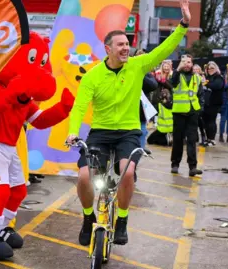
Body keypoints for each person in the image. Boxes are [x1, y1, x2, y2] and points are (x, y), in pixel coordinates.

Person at [66, 0, 191, 247]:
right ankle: (87, 217)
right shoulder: (92, 76)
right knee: (83, 177)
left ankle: (122, 219)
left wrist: (184, 24)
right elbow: (79, 106)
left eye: (127, 44)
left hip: (128, 133)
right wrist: (72, 132)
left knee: (128, 173)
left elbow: (163, 50)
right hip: (100, 133)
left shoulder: (136, 66)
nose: (126, 48)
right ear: (108, 49)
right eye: (121, 45)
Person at [169, 54, 204, 176]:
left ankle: (192, 167)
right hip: (179, 112)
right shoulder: (177, 75)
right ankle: (175, 164)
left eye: (189, 62)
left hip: (192, 113)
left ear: (192, 64)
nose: (186, 64)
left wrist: (200, 109)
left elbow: (200, 94)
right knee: (178, 140)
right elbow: (172, 83)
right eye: (184, 62)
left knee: (192, 140)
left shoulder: (197, 78)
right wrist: (178, 69)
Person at [201, 61, 225, 146]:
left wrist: (205, 83)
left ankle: (212, 139)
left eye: (212, 68)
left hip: (214, 103)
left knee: (211, 121)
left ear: (216, 68)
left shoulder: (219, 77)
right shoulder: (207, 77)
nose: (210, 69)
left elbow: (217, 86)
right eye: (208, 68)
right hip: (206, 103)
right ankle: (207, 139)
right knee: (206, 121)